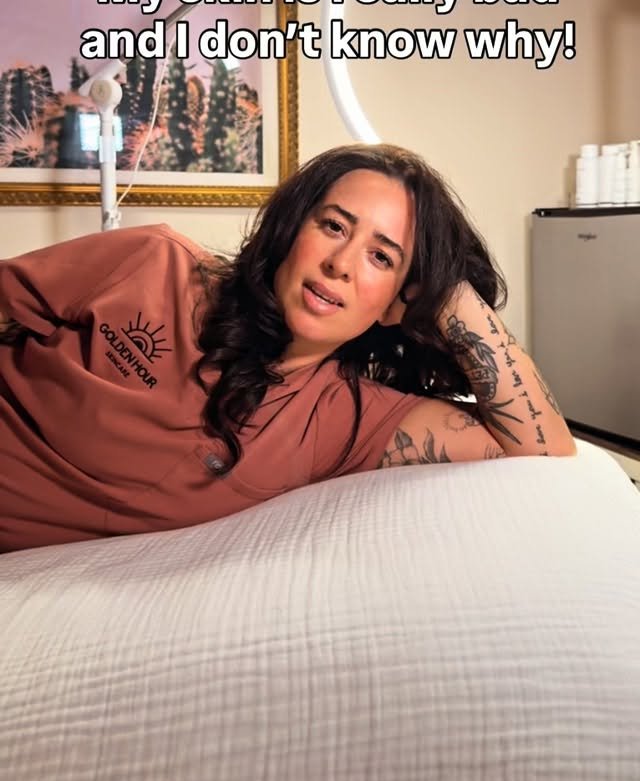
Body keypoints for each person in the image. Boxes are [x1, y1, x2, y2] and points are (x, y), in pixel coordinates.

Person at [0, 143, 574, 552]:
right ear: (291, 231)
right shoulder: (154, 263)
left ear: (398, 302)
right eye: (333, 226)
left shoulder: (344, 418)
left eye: (382, 257)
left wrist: (450, 294)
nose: (340, 264)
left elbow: (543, 453)